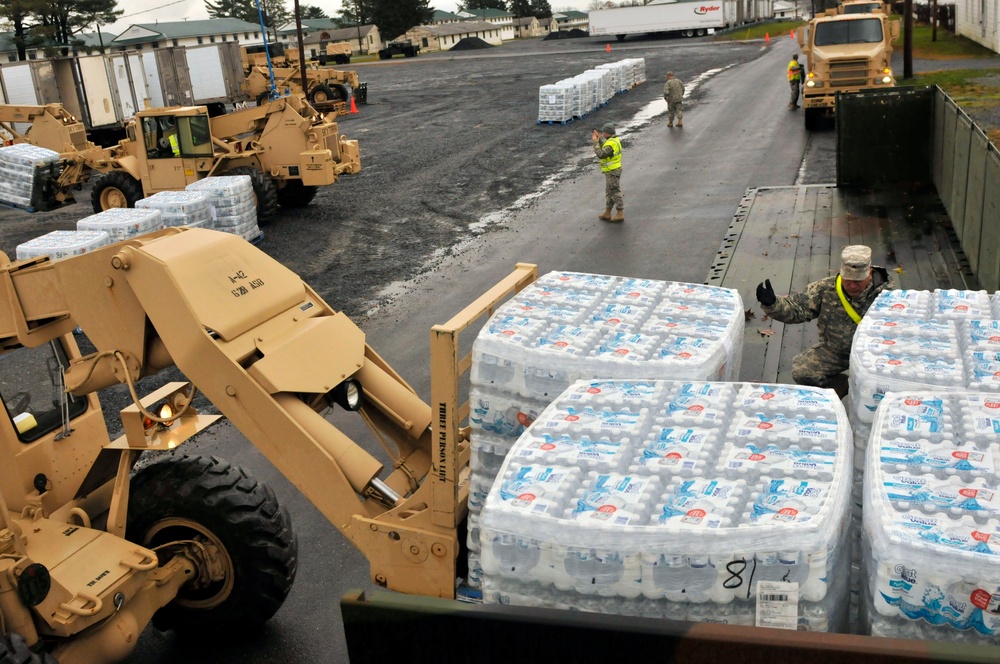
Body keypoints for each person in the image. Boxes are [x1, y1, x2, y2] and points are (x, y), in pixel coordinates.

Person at [755, 245, 893, 398]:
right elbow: (798, 308)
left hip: (875, 354)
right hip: (838, 351)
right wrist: (773, 304)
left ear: (870, 273)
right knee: (803, 371)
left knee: (881, 388)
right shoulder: (825, 288)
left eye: (858, 281)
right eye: (848, 280)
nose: (852, 285)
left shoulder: (888, 295)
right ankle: (841, 386)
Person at [592, 123, 623, 222]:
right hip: (611, 170)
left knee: (614, 191)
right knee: (609, 192)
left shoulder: (611, 143)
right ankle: (607, 212)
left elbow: (601, 154)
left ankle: (620, 212)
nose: (602, 133)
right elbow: (605, 148)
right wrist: (599, 140)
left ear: (607, 133)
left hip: (612, 170)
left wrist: (595, 142)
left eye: (603, 132)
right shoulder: (612, 140)